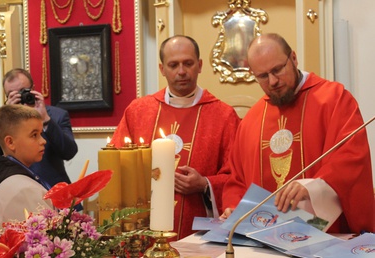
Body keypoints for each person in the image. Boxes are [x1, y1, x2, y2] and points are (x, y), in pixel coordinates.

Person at [220, 33, 375, 234]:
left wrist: (313, 188)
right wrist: (234, 208)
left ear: (293, 58)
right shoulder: (251, 120)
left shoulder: (334, 99)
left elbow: (351, 156)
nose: (273, 81)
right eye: (263, 76)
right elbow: (237, 179)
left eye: (278, 70)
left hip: (325, 235)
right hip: (267, 240)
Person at [111, 35, 241, 239]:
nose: (181, 71)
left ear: (199, 65)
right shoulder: (138, 111)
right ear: (162, 69)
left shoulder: (224, 116)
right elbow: (117, 166)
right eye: (173, 65)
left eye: (188, 63)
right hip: (143, 230)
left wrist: (205, 184)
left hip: (198, 230)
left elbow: (238, 177)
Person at [0, 68, 78, 190]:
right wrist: (6, 118)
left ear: (33, 89)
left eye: (23, 91)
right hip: (18, 191)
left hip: (54, 191)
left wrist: (46, 120)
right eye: (13, 94)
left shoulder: (56, 115)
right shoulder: (1, 119)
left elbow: (69, 152)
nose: (20, 97)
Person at [0, 104, 54, 232]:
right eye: (34, 135)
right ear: (10, 142)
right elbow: (45, 244)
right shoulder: (24, 190)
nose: (43, 141)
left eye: (41, 134)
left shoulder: (8, 178)